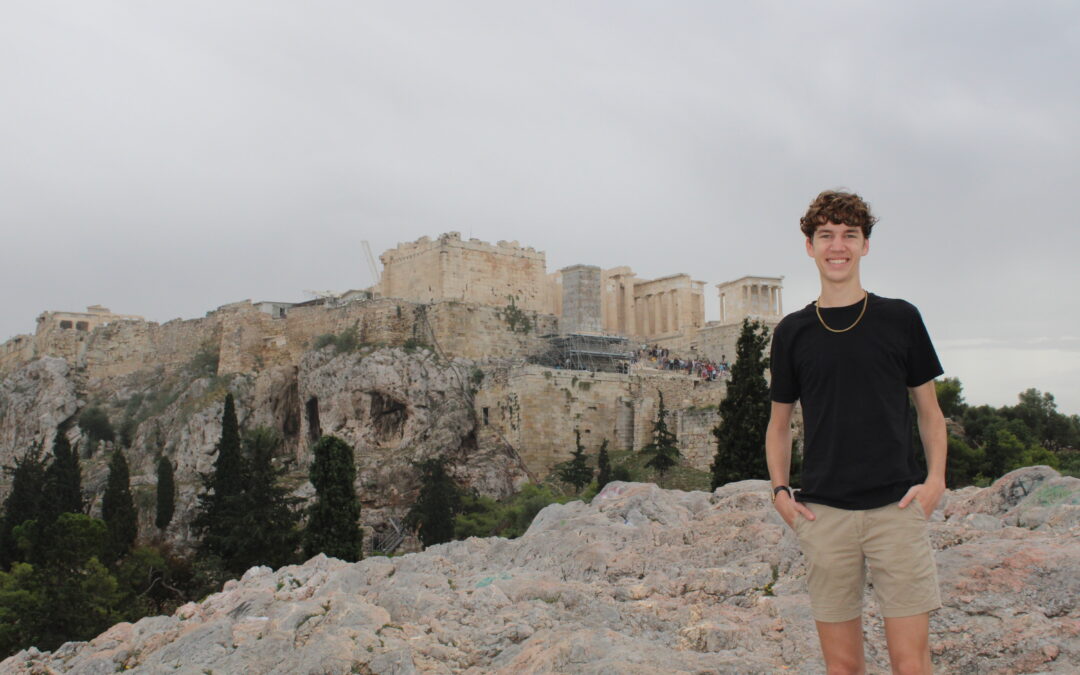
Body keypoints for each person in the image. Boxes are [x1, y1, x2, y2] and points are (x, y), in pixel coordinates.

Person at [765, 190, 947, 675]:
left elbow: (929, 411)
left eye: (849, 235)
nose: (837, 245)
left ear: (865, 245)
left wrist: (936, 482)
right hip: (824, 517)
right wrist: (781, 492)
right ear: (810, 246)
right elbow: (779, 423)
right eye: (826, 235)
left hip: (897, 511)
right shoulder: (792, 332)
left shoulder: (900, 318)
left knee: (911, 662)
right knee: (843, 667)